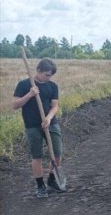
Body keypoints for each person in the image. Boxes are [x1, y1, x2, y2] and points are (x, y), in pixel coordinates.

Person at [13, 58, 64, 198]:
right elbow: (15, 105)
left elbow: (55, 106)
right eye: (47, 74)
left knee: (57, 153)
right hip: (32, 125)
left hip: (51, 123)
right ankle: (40, 186)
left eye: (51, 75)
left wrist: (48, 118)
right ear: (38, 70)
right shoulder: (24, 85)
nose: (49, 78)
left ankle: (52, 179)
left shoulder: (53, 86)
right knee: (37, 156)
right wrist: (30, 94)